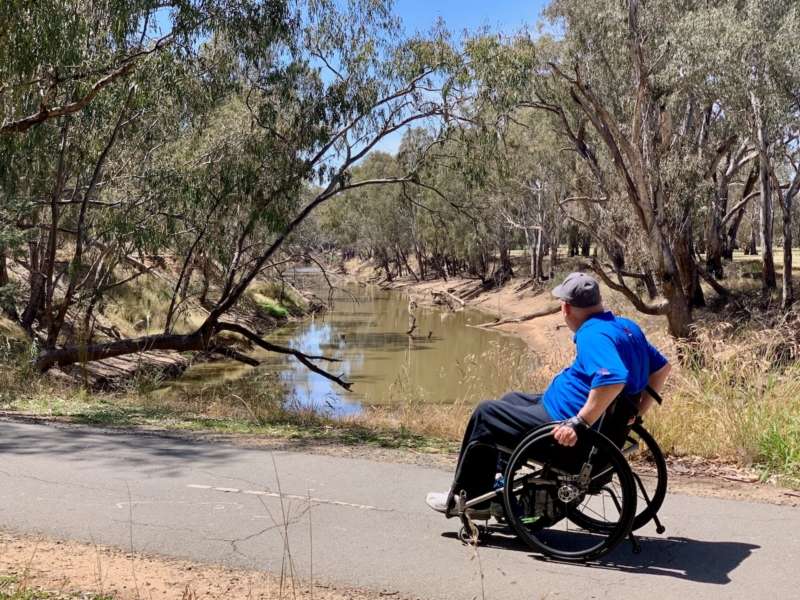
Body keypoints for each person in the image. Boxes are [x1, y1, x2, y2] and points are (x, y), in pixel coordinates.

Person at [425, 271, 671, 518]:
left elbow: (612, 379)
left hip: (567, 433)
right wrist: (638, 411)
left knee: (486, 414)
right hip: (568, 412)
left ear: (565, 308)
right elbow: (662, 368)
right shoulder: (626, 327)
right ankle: (497, 479)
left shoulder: (592, 334)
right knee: (511, 400)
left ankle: (470, 500)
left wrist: (579, 423)